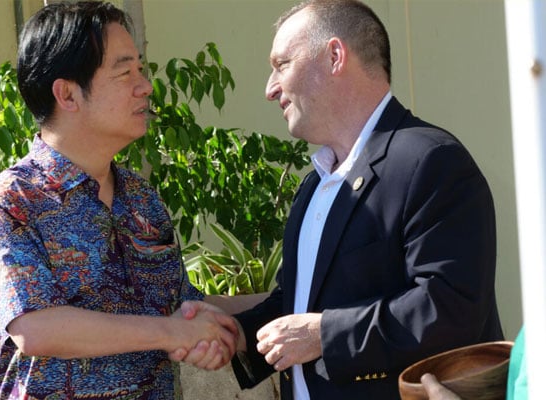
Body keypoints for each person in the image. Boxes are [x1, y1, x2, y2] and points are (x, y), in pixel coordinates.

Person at [173, 0, 504, 398]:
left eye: (281, 64)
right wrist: (236, 331)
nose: (269, 88)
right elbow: (297, 305)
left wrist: (324, 335)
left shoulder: (431, 161)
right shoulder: (314, 186)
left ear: (334, 56)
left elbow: (451, 308)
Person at [0, 2, 237, 399]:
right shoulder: (9, 204)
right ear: (68, 94)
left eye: (140, 71)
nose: (144, 86)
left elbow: (186, 306)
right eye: (124, 72)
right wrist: (173, 332)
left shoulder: (142, 199)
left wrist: (303, 303)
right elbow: (35, 328)